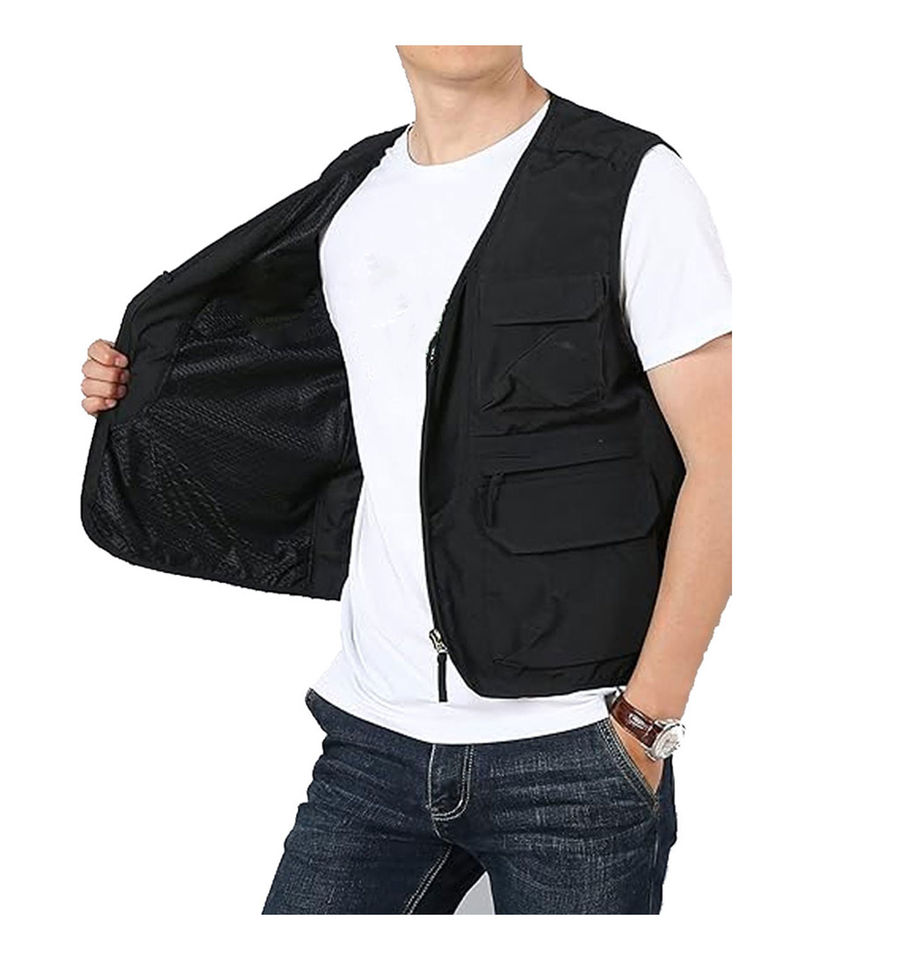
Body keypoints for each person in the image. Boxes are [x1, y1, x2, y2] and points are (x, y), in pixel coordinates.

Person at [79, 46, 731, 914]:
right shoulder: (357, 194)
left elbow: (731, 465)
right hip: (372, 741)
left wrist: (646, 722)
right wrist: (148, 387)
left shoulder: (634, 183)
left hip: (575, 747)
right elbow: (302, 392)